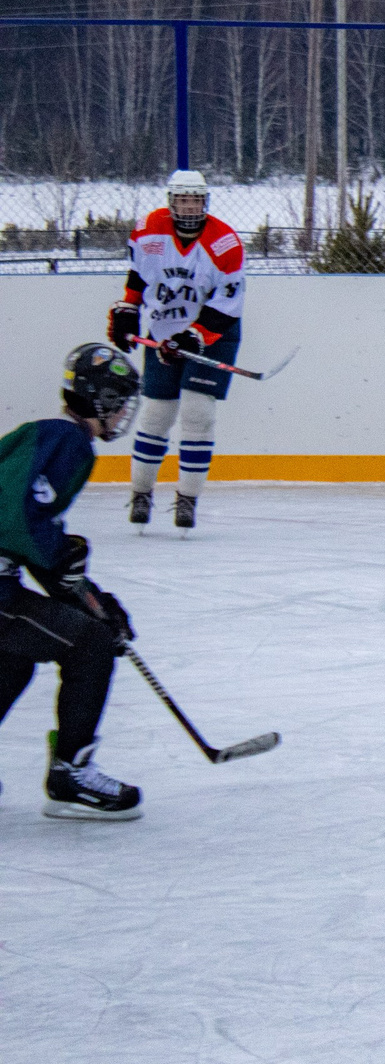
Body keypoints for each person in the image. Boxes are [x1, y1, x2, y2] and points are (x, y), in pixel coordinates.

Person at [0, 344, 146, 820]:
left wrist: (90, 597)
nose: (125, 410)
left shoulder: (52, 439)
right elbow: (16, 520)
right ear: (100, 399)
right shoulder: (66, 441)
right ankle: (70, 774)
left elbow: (29, 534)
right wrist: (71, 575)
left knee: (18, 653)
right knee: (90, 643)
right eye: (120, 399)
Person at [111, 168, 248, 531]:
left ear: (206, 202)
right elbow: (138, 276)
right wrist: (128, 309)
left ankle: (187, 500)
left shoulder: (225, 244)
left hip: (214, 334)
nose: (189, 207)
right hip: (164, 331)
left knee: (197, 413)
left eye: (195, 200)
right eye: (182, 200)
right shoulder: (147, 230)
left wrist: (195, 335)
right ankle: (141, 493)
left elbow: (227, 305)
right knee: (156, 414)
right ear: (171, 202)